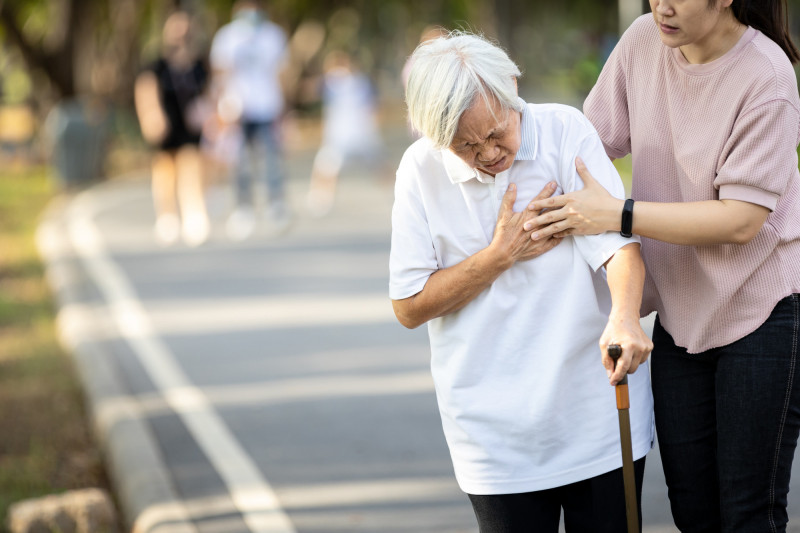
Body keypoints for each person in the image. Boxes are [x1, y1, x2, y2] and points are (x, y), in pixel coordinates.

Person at [524, 1, 800, 531]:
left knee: (748, 513)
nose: (662, 6)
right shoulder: (643, 42)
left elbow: (741, 220)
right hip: (679, 318)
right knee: (691, 509)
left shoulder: (767, 75)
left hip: (763, 314)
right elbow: (584, 147)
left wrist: (620, 213)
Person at [390, 32, 654, 532]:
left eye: (496, 133)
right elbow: (408, 306)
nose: (488, 153)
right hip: (492, 439)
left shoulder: (564, 132)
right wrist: (498, 256)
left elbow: (618, 246)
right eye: (465, 146)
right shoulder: (420, 169)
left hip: (594, 415)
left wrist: (624, 317)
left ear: (512, 87)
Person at [209, 0, 289, 239]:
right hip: (237, 110)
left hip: (267, 107)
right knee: (240, 162)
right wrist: (221, 108)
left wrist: (285, 107)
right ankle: (243, 209)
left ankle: (276, 205)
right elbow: (218, 73)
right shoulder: (227, 36)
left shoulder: (273, 35)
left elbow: (283, 72)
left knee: (272, 159)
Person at [134, 11, 210, 247]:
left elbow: (211, 91)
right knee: (166, 171)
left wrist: (208, 113)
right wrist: (151, 116)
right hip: (166, 124)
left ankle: (194, 216)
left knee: (192, 168)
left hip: (191, 125)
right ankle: (167, 217)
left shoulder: (199, 66)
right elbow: (145, 88)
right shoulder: (158, 65)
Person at [305, 50, 382, 217]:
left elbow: (311, 90)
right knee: (379, 165)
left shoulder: (332, 82)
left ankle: (321, 200)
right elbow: (371, 105)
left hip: (341, 135)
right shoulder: (361, 81)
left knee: (326, 167)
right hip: (362, 133)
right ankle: (398, 191)